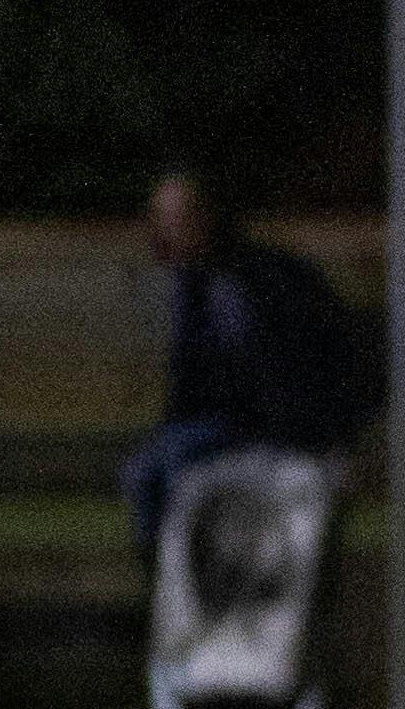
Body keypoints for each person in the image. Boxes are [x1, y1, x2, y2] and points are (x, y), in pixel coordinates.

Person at [125, 170, 366, 569]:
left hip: (267, 427)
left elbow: (289, 368)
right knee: (146, 472)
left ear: (205, 219)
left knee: (171, 470)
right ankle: (166, 591)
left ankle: (197, 589)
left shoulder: (256, 281)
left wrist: (313, 438)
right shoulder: (192, 285)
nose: (163, 233)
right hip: (224, 424)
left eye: (174, 221)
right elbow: (190, 382)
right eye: (159, 220)